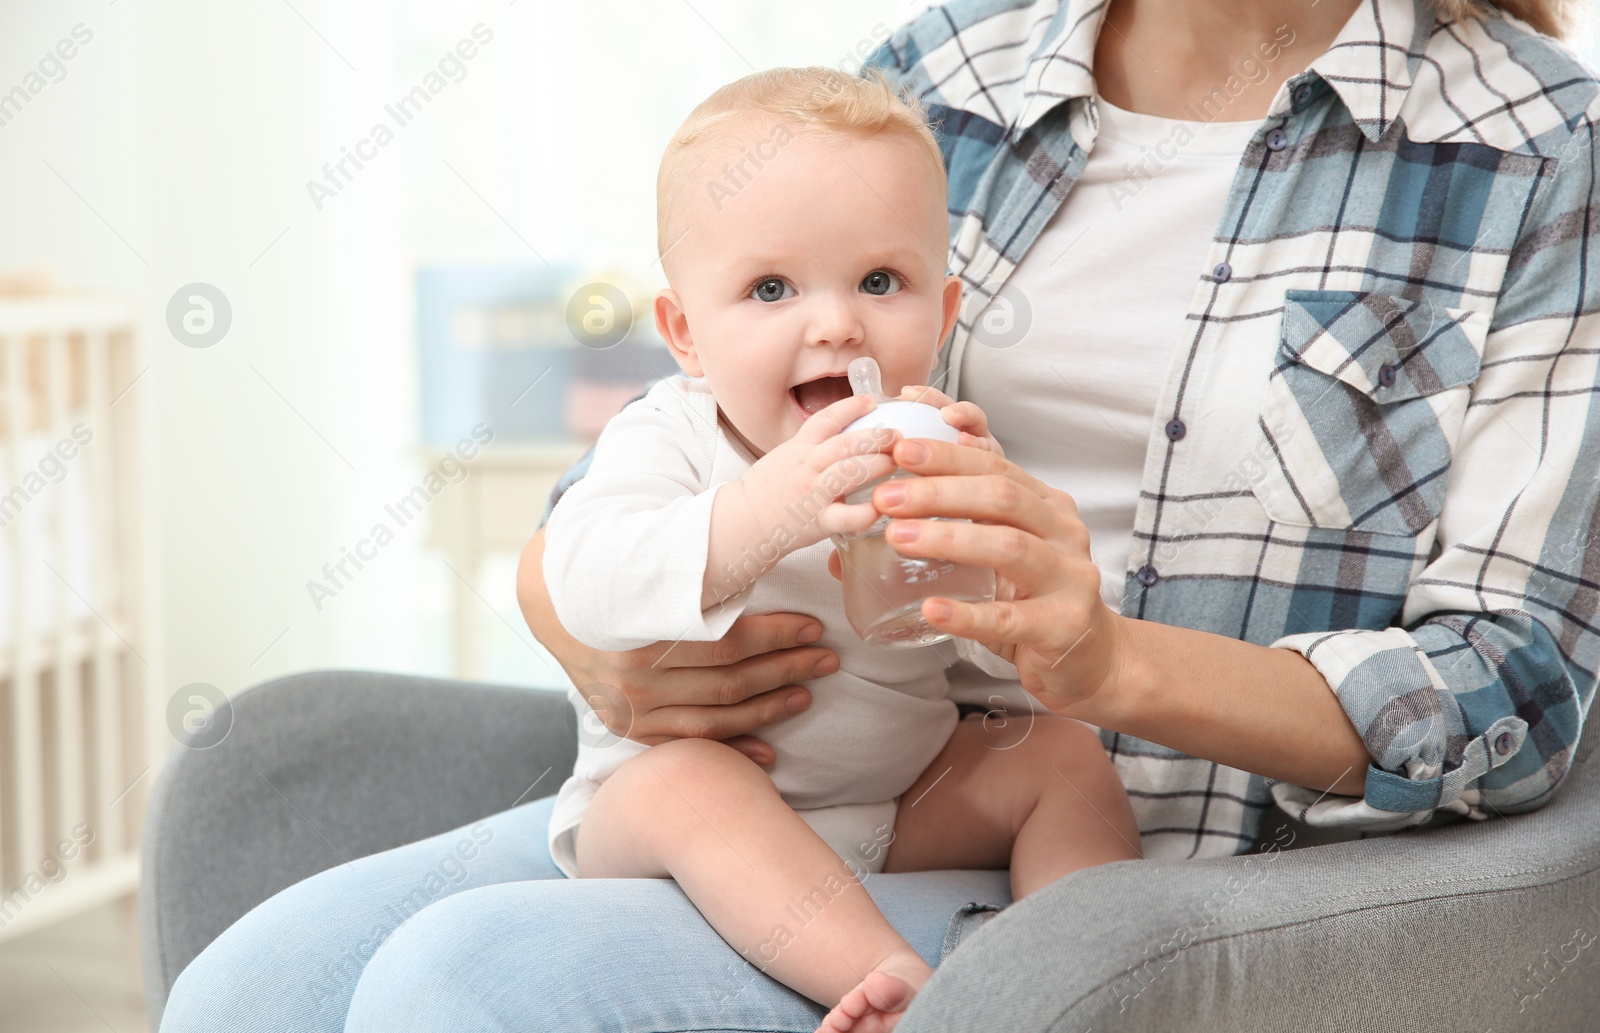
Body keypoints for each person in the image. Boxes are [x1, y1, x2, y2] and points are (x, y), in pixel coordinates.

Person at [159, 1, 1600, 1030]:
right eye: (793, 295)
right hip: (759, 775)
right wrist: (594, 628)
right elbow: (645, 476)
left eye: (886, 295)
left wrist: (1107, 667)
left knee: (463, 982)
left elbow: (1514, 686)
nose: (836, 326)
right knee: (252, 988)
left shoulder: (1541, 149)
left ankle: (1017, 976)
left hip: (1143, 841)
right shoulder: (942, 70)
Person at [539, 67, 1141, 1032]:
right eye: (770, 288)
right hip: (673, 814)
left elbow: (993, 665)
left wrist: (988, 576)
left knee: (1061, 757)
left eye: (879, 281)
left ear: (942, 317)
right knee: (689, 782)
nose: (835, 322)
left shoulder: (939, 445)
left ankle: (1093, 979)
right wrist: (761, 512)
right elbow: (586, 577)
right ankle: (900, 983)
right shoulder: (670, 435)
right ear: (686, 334)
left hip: (895, 807)